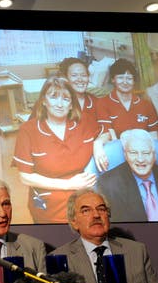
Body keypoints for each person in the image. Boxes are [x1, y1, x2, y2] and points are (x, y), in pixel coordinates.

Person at [13, 77, 106, 223]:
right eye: (54, 97)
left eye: (66, 99)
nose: (59, 104)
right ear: (44, 101)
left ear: (71, 105)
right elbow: (25, 177)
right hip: (48, 210)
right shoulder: (29, 130)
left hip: (83, 207)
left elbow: (104, 134)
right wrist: (69, 184)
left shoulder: (85, 123)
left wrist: (98, 144)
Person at [49, 188, 158, 283]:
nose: (96, 215)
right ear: (74, 222)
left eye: (101, 209)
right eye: (86, 210)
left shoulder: (137, 251)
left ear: (108, 216)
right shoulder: (59, 257)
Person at [59, 57, 112, 171]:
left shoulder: (97, 102)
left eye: (83, 75)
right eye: (74, 75)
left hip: (93, 159)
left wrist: (97, 144)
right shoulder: (59, 105)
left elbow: (107, 131)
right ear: (66, 79)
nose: (80, 79)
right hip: (65, 160)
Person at [97, 58, 158, 140]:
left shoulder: (146, 105)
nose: (125, 82)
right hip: (117, 148)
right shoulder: (103, 103)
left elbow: (154, 136)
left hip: (143, 149)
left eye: (129, 78)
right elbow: (110, 136)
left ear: (134, 81)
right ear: (113, 79)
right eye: (120, 78)